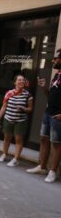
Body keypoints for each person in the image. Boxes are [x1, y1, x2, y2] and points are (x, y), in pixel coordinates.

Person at [26, 48, 61, 183]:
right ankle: (42, 167)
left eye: (56, 58)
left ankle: (53, 172)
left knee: (56, 144)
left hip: (57, 116)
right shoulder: (57, 75)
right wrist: (44, 87)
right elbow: (51, 95)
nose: (53, 60)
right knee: (44, 139)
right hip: (48, 113)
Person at [0, 74, 33, 167]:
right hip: (8, 119)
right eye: (19, 80)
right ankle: (4, 154)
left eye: (23, 80)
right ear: (15, 82)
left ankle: (16, 159)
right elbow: (4, 107)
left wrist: (23, 108)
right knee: (7, 138)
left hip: (20, 121)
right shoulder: (9, 93)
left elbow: (30, 109)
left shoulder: (28, 95)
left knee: (18, 140)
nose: (21, 81)